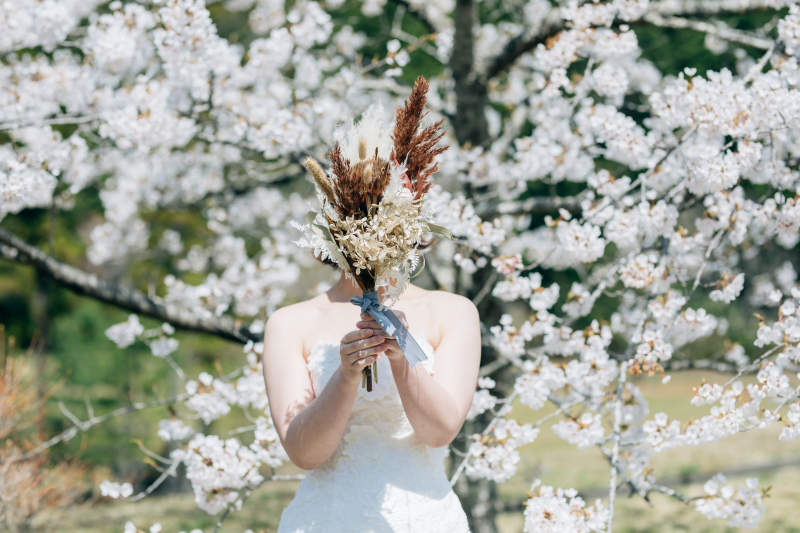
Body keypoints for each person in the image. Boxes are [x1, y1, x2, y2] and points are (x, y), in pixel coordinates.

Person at [262, 266, 481, 532]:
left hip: (423, 519)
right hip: (327, 520)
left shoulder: (454, 311)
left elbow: (440, 432)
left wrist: (401, 356)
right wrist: (346, 376)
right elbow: (304, 453)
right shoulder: (289, 322)